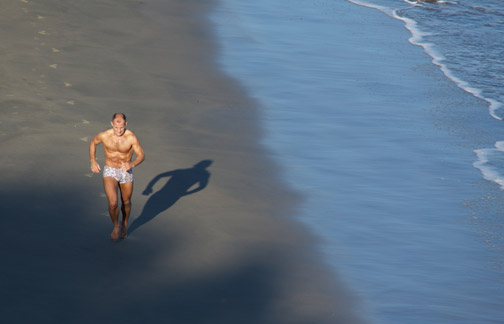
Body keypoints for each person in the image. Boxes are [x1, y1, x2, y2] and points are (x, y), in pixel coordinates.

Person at [89, 113, 145, 241]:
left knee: (126, 202)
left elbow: (141, 155)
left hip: (126, 171)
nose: (119, 131)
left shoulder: (131, 137)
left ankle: (124, 225)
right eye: (116, 127)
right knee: (113, 203)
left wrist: (132, 163)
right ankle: (115, 225)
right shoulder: (105, 135)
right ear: (111, 124)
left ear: (125, 124)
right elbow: (93, 143)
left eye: (121, 128)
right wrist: (93, 160)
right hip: (110, 170)